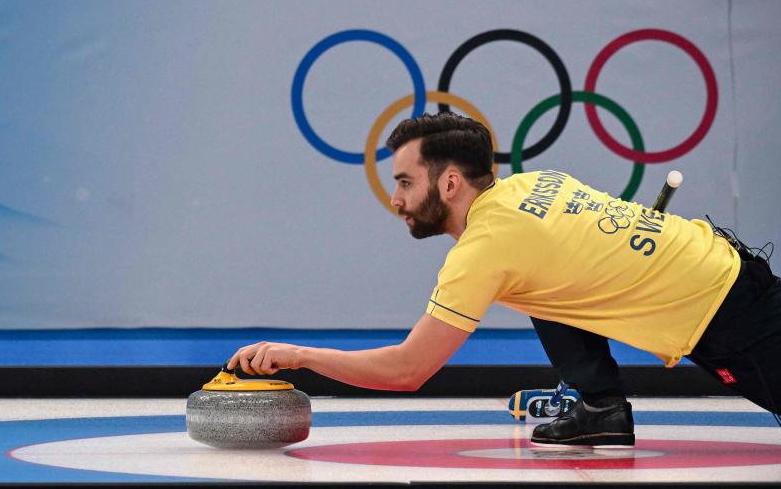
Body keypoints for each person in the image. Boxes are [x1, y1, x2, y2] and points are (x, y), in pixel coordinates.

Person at [227, 112, 781, 446]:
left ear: (448, 185)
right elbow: (570, 279)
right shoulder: (530, 187)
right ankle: (599, 406)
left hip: (733, 318)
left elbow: (408, 370)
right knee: (540, 284)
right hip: (729, 275)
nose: (394, 199)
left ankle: (598, 403)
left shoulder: (483, 251)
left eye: (403, 182)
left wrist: (297, 355)